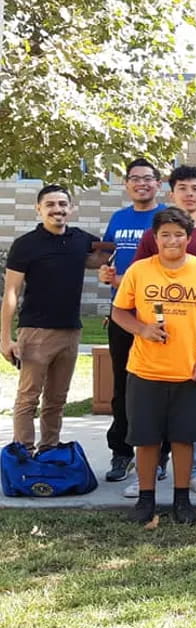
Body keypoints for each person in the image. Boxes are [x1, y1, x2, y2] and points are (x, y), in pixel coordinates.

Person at [111, 207, 196, 525]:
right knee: (146, 438)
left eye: (179, 234)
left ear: (189, 238)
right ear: (155, 238)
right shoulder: (139, 270)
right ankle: (146, 500)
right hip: (145, 370)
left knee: (184, 437)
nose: (172, 241)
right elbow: (120, 311)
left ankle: (182, 500)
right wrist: (143, 329)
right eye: (165, 235)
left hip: (190, 371)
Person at [128, 165, 196, 497]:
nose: (189, 193)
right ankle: (151, 472)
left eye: (195, 188)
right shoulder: (154, 234)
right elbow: (139, 283)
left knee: (192, 420)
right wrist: (140, 326)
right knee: (149, 420)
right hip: (153, 351)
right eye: (182, 187)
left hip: (195, 347)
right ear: (171, 193)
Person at [2, 185, 106, 453]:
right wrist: (5, 338)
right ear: (39, 209)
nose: (57, 209)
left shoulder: (80, 239)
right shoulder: (25, 245)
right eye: (50, 204)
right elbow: (11, 292)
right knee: (28, 399)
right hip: (35, 331)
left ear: (71, 209)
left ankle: (49, 451)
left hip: (71, 331)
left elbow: (108, 253)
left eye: (62, 204)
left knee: (56, 400)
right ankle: (22, 455)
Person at [98, 159, 167, 482]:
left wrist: (125, 280)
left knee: (161, 387)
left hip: (157, 316)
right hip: (122, 316)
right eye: (135, 179)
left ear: (158, 184)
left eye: (148, 178)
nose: (142, 184)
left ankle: (161, 454)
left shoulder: (165, 218)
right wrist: (106, 274)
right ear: (126, 184)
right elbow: (107, 259)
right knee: (122, 388)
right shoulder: (118, 218)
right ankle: (121, 453)